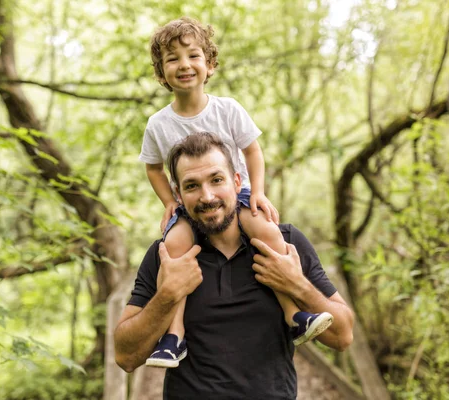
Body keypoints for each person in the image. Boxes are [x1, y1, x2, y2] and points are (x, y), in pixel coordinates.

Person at [138, 16, 333, 369]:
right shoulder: (158, 124)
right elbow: (153, 167)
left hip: (236, 197)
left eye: (193, 56)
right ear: (161, 72)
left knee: (267, 230)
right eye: (172, 59)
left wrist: (257, 192)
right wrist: (169, 201)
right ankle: (174, 336)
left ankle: (293, 315)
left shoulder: (227, 110)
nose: (184, 65)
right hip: (190, 205)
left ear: (209, 64)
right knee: (175, 248)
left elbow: (253, 151)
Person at [116, 133, 354, 399]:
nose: (207, 196)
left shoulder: (285, 243)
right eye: (192, 186)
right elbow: (126, 356)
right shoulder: (167, 256)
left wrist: (296, 284)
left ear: (237, 182)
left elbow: (342, 336)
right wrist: (167, 296)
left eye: (216, 180)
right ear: (178, 196)